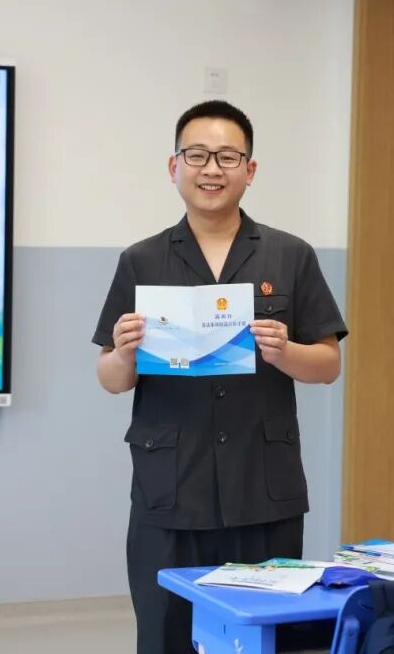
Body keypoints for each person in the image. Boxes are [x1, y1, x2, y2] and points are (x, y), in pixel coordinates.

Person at [92, 100, 348, 653]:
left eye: (228, 157)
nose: (212, 169)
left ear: (249, 170)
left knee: (263, 639)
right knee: (166, 638)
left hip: (263, 491)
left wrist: (284, 352)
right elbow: (111, 378)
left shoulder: (290, 255)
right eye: (197, 155)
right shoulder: (141, 260)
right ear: (174, 166)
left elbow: (328, 365)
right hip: (170, 493)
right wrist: (125, 351)